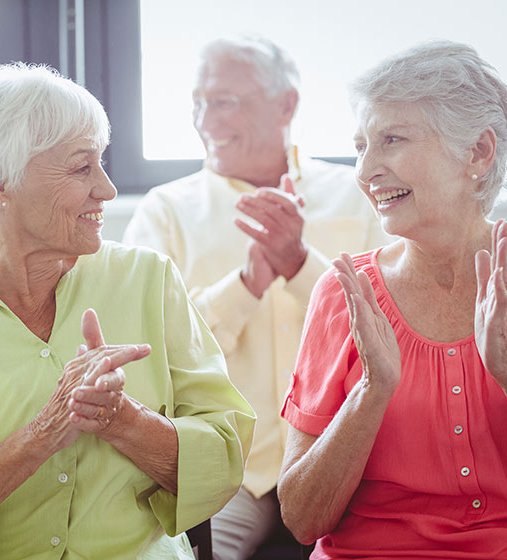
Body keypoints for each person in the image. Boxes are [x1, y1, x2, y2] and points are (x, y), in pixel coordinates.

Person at [0, 63, 256, 560]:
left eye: (102, 164)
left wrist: (123, 420)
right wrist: (43, 434)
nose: (106, 189)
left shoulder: (148, 280)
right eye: (81, 167)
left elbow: (225, 457)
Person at [122, 36, 390, 558]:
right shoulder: (165, 212)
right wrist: (245, 286)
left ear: (287, 104)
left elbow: (392, 324)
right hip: (223, 473)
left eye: (224, 101)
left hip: (344, 464)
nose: (206, 120)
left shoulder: (360, 196)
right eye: (198, 103)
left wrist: (299, 264)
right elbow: (148, 349)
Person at [278, 41, 507, 558]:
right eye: (361, 146)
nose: (365, 170)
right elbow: (303, 519)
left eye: (391, 139)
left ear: (478, 152)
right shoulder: (343, 294)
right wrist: (371, 392)